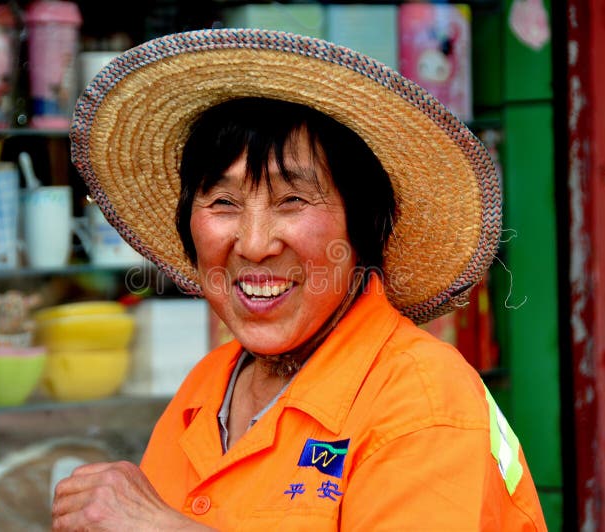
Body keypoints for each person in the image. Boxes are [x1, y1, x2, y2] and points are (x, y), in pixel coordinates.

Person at [52, 28, 547, 530]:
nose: (254, 243)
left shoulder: (422, 396)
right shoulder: (211, 384)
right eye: (223, 203)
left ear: (364, 224)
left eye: (292, 200)